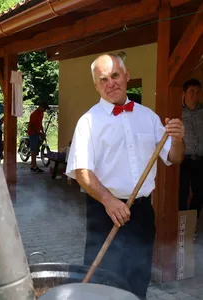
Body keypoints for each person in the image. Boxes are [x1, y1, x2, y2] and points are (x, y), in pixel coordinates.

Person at [66, 54, 185, 299]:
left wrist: (178, 139)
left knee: (137, 278)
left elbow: (174, 158)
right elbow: (82, 171)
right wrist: (109, 201)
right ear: (96, 85)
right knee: (102, 283)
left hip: (141, 212)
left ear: (126, 75)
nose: (111, 83)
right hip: (105, 212)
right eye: (103, 79)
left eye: (115, 75)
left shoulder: (148, 117)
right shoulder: (88, 122)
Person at [179, 79, 203, 219]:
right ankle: (181, 224)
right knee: (181, 194)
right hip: (183, 159)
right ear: (184, 93)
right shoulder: (177, 111)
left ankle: (192, 222)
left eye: (197, 92)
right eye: (191, 92)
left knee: (200, 193)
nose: (194, 95)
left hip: (200, 159)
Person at [28, 101, 49, 172]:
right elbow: (33, 126)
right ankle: (34, 166)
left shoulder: (41, 113)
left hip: (38, 133)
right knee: (33, 150)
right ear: (40, 107)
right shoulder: (34, 114)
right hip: (33, 133)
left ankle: (33, 165)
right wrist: (40, 133)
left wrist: (43, 132)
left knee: (36, 148)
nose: (45, 110)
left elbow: (40, 124)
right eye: (44, 108)